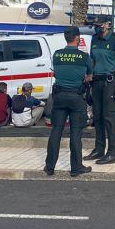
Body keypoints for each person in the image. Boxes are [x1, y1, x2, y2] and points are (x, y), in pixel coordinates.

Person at [45, 26, 94, 177]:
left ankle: (50, 167)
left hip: (59, 97)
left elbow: (56, 72)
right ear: (78, 38)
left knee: (56, 131)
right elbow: (90, 77)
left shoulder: (57, 54)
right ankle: (76, 167)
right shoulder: (84, 57)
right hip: (76, 97)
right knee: (75, 133)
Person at [85, 15, 115, 164]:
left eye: (99, 25)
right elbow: (92, 59)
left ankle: (112, 152)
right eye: (95, 25)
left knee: (109, 117)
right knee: (97, 116)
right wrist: (89, 75)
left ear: (107, 24)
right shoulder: (94, 39)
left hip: (111, 81)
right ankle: (99, 149)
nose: (97, 27)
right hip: (97, 81)